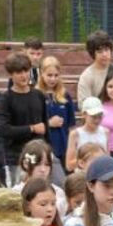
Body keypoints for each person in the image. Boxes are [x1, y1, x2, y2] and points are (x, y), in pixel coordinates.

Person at [0, 52, 49, 182]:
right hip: (17, 157)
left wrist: (48, 151)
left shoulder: (38, 95)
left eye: (26, 71)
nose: (24, 75)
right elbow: (2, 129)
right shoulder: (6, 98)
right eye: (19, 72)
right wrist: (31, 128)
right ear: (11, 75)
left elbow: (45, 126)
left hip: (40, 154)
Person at [37, 56, 75, 185]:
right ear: (42, 74)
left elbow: (71, 125)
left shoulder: (65, 95)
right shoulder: (36, 95)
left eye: (56, 75)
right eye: (49, 75)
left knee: (63, 182)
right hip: (44, 145)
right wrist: (49, 124)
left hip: (63, 145)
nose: (52, 79)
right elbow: (32, 123)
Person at [76, 30, 113, 106]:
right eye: (100, 51)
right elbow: (84, 107)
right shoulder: (86, 76)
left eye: (106, 50)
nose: (104, 54)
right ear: (92, 53)